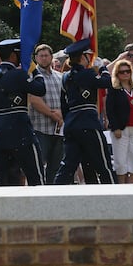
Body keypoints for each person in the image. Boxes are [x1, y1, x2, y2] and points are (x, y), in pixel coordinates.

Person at [0, 39, 46, 186]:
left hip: (0, 133)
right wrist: (34, 69)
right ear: (13, 56)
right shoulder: (18, 75)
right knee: (36, 176)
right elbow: (41, 88)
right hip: (21, 132)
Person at [54, 38, 117, 185]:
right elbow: (107, 82)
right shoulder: (88, 74)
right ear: (83, 56)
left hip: (71, 124)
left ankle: (54, 192)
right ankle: (114, 194)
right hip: (88, 123)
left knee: (68, 165)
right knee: (103, 164)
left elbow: (64, 105)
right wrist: (102, 68)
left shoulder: (65, 77)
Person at [28, 44, 65, 184]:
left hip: (59, 129)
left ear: (51, 57)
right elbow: (34, 100)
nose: (44, 58)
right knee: (38, 164)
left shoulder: (60, 77)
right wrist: (52, 114)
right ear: (36, 58)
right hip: (40, 128)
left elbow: (66, 99)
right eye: (41, 56)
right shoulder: (33, 77)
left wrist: (62, 113)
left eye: (46, 55)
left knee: (56, 167)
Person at [106, 59, 133, 183]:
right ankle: (121, 188)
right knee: (121, 161)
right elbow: (110, 109)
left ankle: (132, 187)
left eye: (128, 71)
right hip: (121, 129)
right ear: (117, 74)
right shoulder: (114, 89)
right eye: (122, 72)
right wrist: (115, 127)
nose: (125, 74)